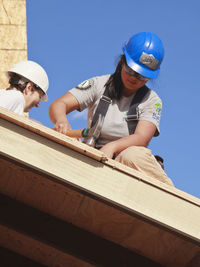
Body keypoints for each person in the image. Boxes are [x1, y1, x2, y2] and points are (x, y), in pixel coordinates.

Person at [49, 32, 174, 186]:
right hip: (91, 154)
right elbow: (59, 105)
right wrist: (61, 121)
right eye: (131, 70)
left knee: (132, 155)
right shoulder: (99, 84)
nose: (134, 78)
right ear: (122, 61)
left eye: (141, 76)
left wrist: (112, 147)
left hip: (126, 163)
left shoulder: (152, 101)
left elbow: (142, 137)